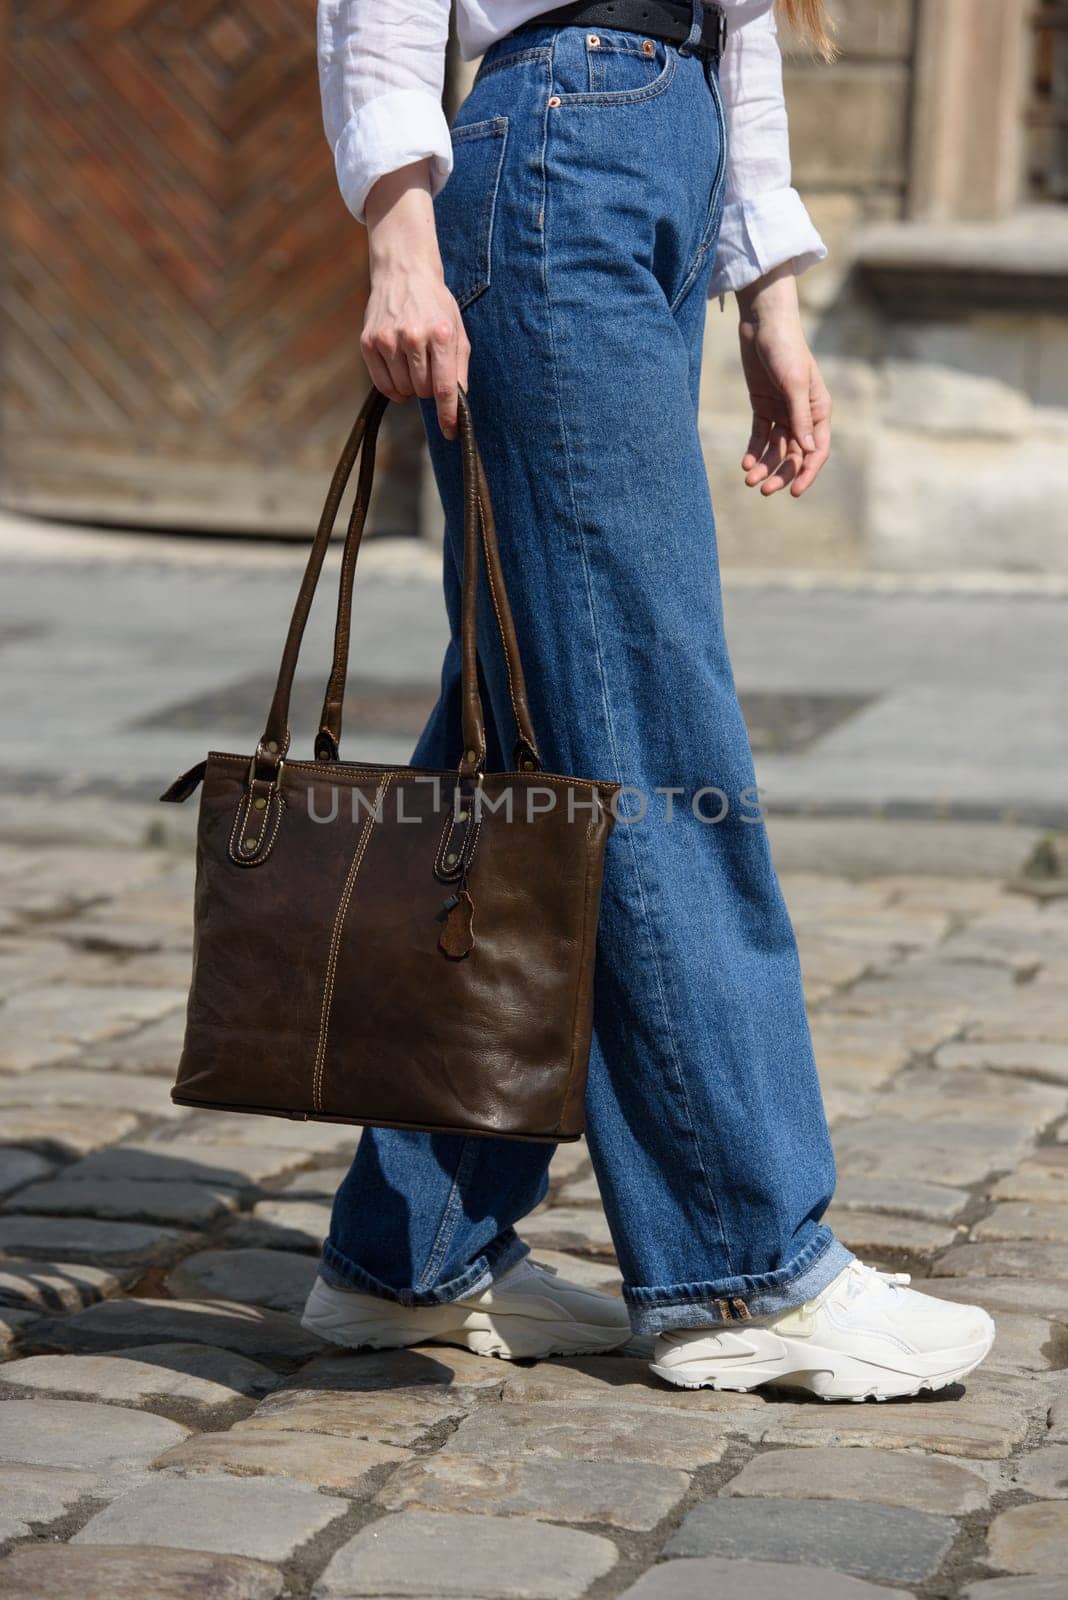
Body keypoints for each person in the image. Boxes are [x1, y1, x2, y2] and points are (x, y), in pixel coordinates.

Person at [302, 0, 995, 1401]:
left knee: (537, 716)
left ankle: (407, 1253)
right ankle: (746, 1266)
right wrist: (398, 235)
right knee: (643, 714)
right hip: (554, 149)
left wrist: (768, 296)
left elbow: (733, 30)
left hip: (647, 158)